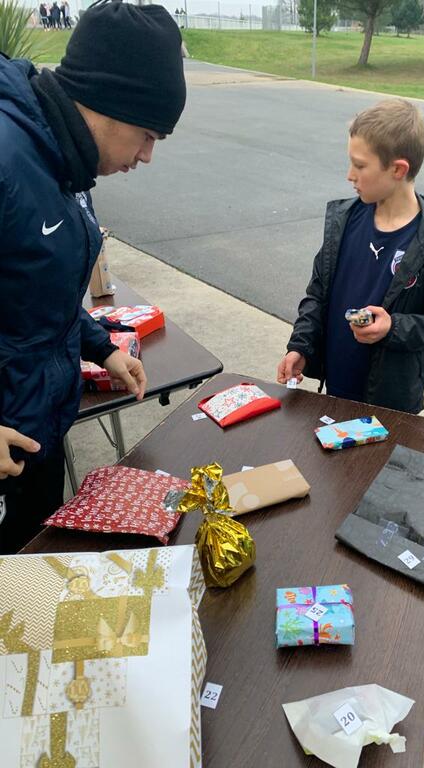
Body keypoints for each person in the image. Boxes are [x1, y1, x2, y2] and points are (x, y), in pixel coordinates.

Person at [0, 0, 186, 554]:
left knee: (31, 568)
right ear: (107, 104)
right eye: (147, 135)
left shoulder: (64, 162)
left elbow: (38, 294)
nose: (147, 156)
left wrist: (102, 347)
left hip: (36, 425)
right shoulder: (8, 160)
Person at [276, 99, 424, 414]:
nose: (350, 175)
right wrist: (301, 345)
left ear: (398, 169)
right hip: (337, 390)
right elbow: (318, 294)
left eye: (360, 165)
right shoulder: (343, 222)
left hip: (390, 406)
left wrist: (393, 327)